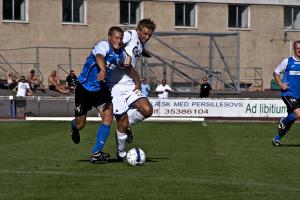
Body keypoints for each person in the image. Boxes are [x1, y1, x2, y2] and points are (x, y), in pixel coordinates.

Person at [70, 26, 140, 163]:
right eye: (116, 38)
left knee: (108, 115)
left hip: (101, 90)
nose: (119, 41)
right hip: (84, 88)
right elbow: (99, 56)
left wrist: (137, 82)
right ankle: (73, 127)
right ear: (110, 37)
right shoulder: (103, 45)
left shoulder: (122, 55)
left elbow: (129, 67)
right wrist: (102, 71)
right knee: (80, 124)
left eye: (121, 39)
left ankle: (96, 153)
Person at [113, 18, 156, 161]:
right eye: (145, 34)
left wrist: (144, 52)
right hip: (116, 85)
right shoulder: (130, 35)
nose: (147, 37)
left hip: (129, 84)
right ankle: (121, 153)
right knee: (122, 120)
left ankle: (125, 126)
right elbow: (117, 43)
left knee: (147, 110)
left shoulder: (139, 41)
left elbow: (137, 48)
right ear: (138, 30)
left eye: (150, 35)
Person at [272, 40, 300, 146]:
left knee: (292, 118)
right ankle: (283, 121)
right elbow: (276, 72)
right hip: (288, 93)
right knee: (298, 113)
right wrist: (280, 83)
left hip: (299, 95)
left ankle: (277, 138)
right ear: (294, 49)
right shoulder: (287, 61)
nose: (299, 50)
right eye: (297, 48)